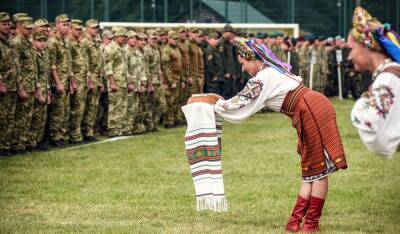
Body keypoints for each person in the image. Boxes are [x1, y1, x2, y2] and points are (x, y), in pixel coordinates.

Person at [189, 38, 348, 233]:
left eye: (243, 63)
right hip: (311, 108)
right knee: (310, 171)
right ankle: (295, 222)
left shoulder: (264, 77)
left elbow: (238, 103)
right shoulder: (271, 72)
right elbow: (241, 102)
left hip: (311, 110)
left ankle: (310, 224)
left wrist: (210, 105)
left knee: (317, 171)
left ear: (253, 59)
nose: (243, 69)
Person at [349, 7, 400, 158]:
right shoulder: (391, 73)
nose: (349, 56)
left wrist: (361, 102)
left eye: (351, 49)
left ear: (367, 46)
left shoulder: (388, 78)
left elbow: (376, 135)